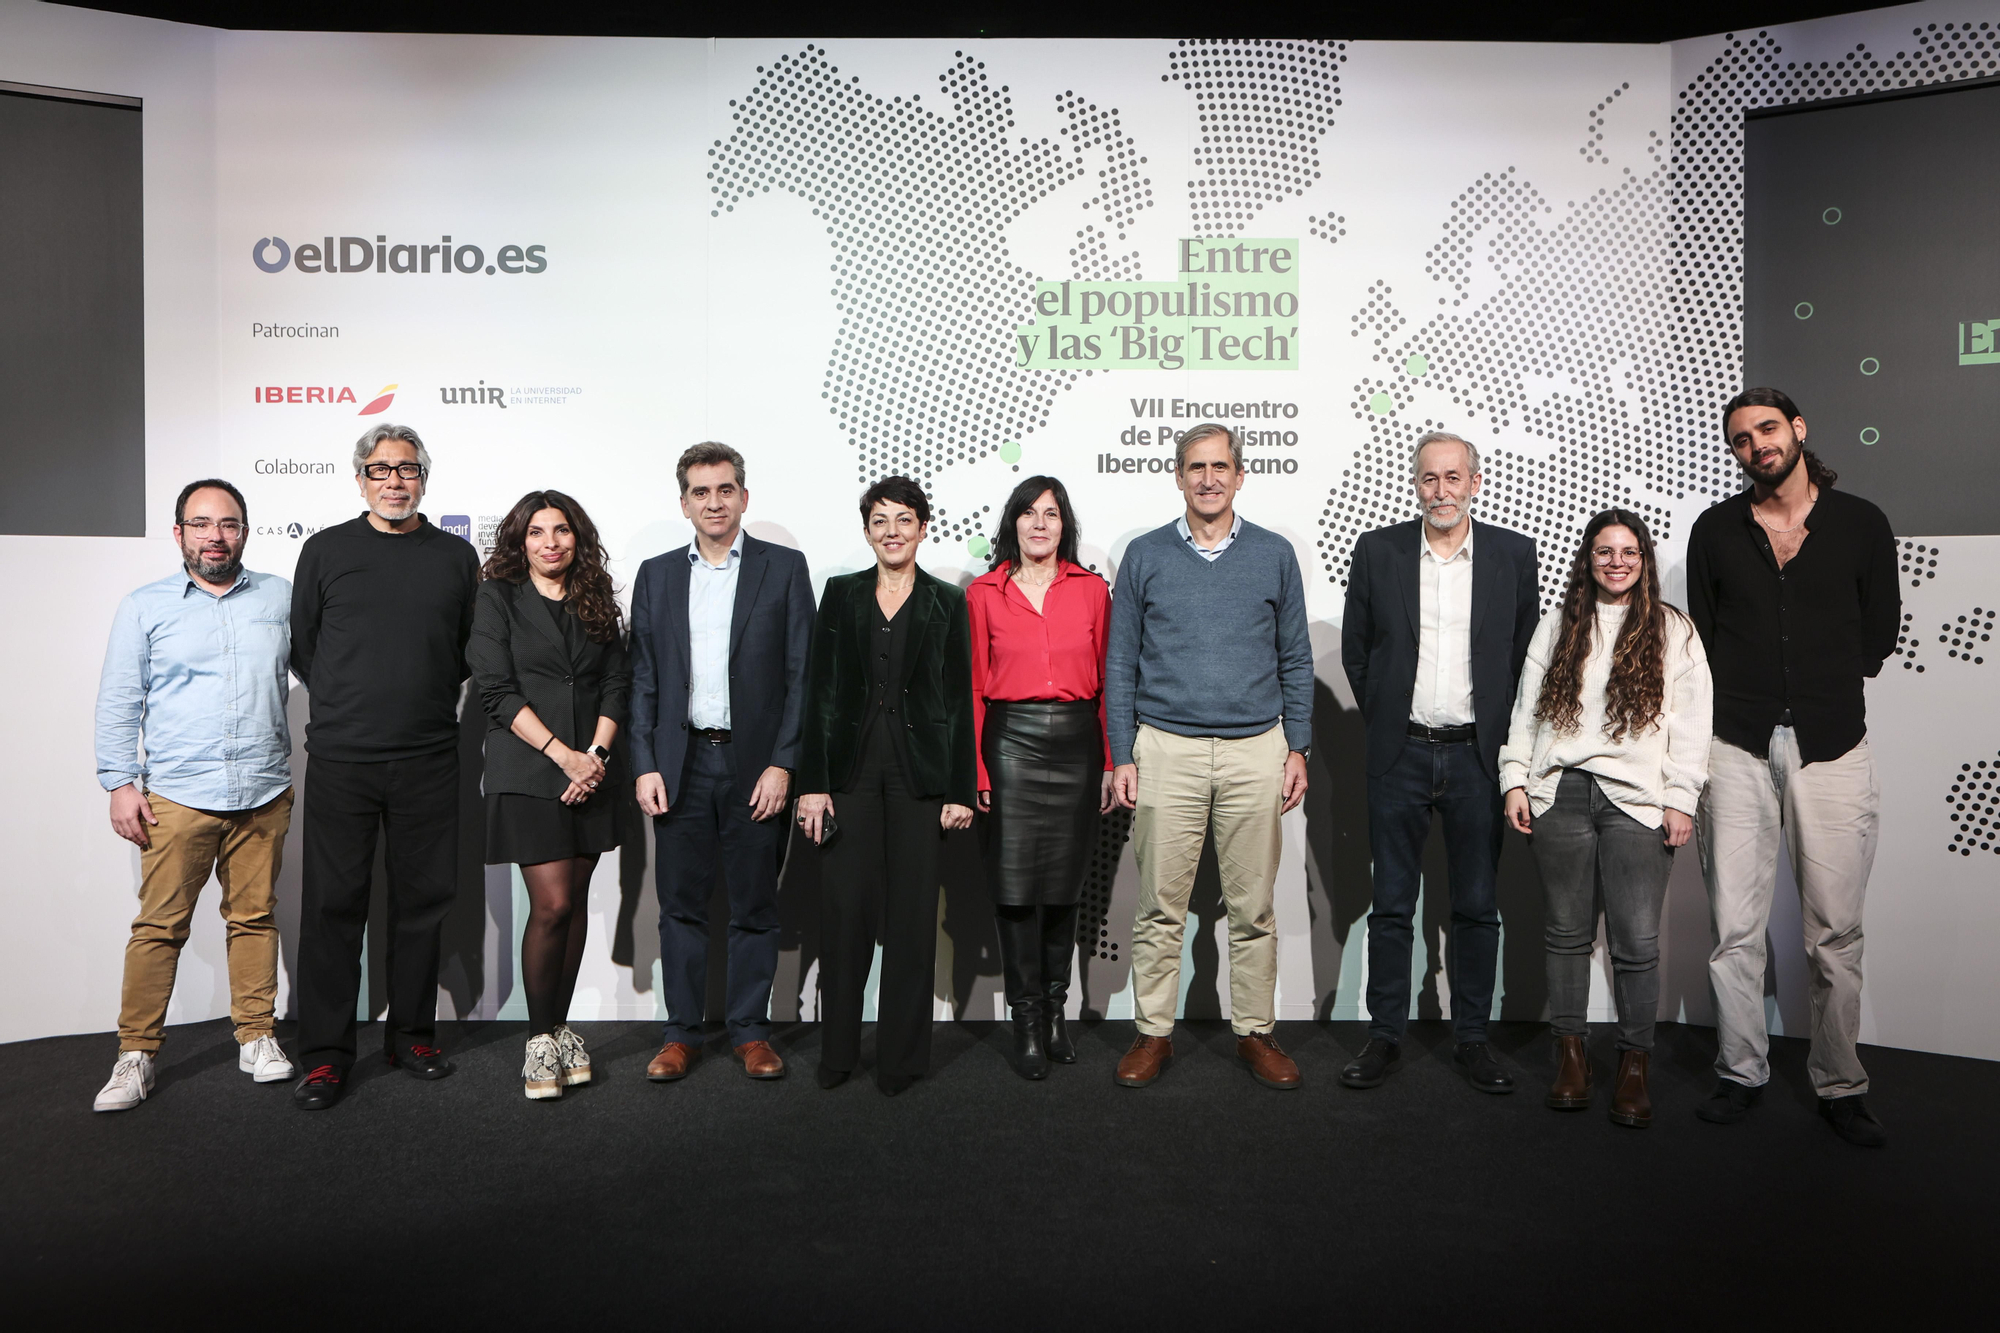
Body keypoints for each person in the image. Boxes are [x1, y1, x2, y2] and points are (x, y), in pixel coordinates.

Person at [1686, 387, 1899, 1147]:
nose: (1757, 447)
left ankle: (1841, 1084)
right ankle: (1741, 1070)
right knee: (1734, 927)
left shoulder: (1863, 524)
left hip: (1832, 744)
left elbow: (1880, 634)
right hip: (1734, 744)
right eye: (1741, 439)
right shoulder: (1714, 531)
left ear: (1799, 430)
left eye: (1768, 430)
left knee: (1834, 932)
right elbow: (1702, 641)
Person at [1105, 422, 1313, 1091]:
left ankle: (1255, 1033)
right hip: (1166, 747)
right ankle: (1153, 1033)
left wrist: (1298, 746)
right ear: (1177, 475)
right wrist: (1122, 754)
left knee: (1253, 907)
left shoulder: (1276, 554)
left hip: (1257, 747)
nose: (1208, 477)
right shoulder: (1144, 555)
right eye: (1195, 466)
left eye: (1220, 465)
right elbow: (1121, 665)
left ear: (1240, 474)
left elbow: (1296, 660)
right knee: (1161, 905)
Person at [1339, 430, 1539, 1095]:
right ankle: (1385, 1035)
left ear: (1475, 482)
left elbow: (1522, 657)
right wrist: (1390, 717)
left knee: (1478, 906)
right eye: (1430, 478)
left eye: (1454, 477)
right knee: (1392, 903)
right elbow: (1358, 651)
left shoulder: (1514, 554)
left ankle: (1473, 1038)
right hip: (1400, 751)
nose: (1442, 490)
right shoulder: (1379, 550)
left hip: (1478, 755)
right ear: (1415, 484)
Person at [287, 424, 479, 1110]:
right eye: (380, 469)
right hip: (342, 758)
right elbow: (305, 646)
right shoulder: (326, 550)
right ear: (359, 478)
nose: (394, 480)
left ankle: (413, 1034)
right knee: (333, 908)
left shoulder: (457, 557)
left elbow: (463, 652)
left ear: (425, 477)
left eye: (407, 469)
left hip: (429, 756)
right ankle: (326, 1055)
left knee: (423, 905)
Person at [1499, 510, 1711, 1126]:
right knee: (1565, 934)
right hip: (1560, 792)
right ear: (1587, 561)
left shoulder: (1675, 631)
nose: (1616, 562)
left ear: (1643, 560)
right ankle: (1570, 1055)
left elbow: (1694, 725)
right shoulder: (1558, 627)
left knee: (1637, 941)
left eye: (1628, 552)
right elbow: (1526, 711)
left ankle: (1633, 1064)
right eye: (1603, 552)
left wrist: (1681, 798)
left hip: (1638, 799)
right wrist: (1515, 778)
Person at [90, 479, 296, 1111]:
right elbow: (120, 700)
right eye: (202, 524)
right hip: (177, 797)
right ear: (179, 533)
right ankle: (136, 1055)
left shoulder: (279, 598)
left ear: (244, 531)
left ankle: (257, 1036)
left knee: (254, 919)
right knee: (158, 927)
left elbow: (334, 668)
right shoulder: (145, 606)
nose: (216, 536)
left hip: (264, 790)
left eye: (229, 524)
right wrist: (119, 783)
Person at [629, 443, 814, 1083]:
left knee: (754, 905)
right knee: (679, 905)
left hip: (754, 765)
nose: (714, 502)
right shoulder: (655, 575)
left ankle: (750, 1033)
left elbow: (801, 678)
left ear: (743, 496)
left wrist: (784, 764)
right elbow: (644, 679)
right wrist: (645, 762)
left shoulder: (784, 569)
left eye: (725, 489)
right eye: (701, 492)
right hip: (679, 765)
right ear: (684, 502)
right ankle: (680, 1035)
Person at [796, 477, 976, 1096]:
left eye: (904, 519)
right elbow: (819, 693)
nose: (892, 531)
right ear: (867, 531)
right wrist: (812, 784)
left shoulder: (948, 602)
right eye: (880, 520)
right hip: (847, 774)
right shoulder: (840, 595)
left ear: (923, 528)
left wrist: (958, 788)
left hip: (919, 778)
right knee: (843, 913)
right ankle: (839, 1052)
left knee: (911, 917)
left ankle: (900, 1059)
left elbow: (958, 700)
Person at [468, 490, 630, 1100]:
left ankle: (561, 1029)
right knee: (554, 906)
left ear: (576, 538)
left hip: (593, 771)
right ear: (520, 541)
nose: (550, 542)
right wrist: (563, 756)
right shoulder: (497, 597)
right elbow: (496, 690)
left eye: (561, 531)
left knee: (577, 904)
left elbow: (617, 681)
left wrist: (598, 757)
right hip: (532, 771)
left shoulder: (595, 598)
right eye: (537, 532)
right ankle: (538, 1039)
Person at [967, 475, 1113, 1079]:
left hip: (1078, 745)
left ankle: (1057, 1017)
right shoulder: (983, 592)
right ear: (1013, 523)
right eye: (1028, 514)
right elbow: (975, 685)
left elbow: (1109, 684)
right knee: (1014, 891)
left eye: (1050, 514)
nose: (1039, 524)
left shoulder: (1092, 590)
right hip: (1009, 744)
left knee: (1062, 890)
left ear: (1063, 524)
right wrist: (976, 766)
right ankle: (1026, 1022)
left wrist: (1109, 760)